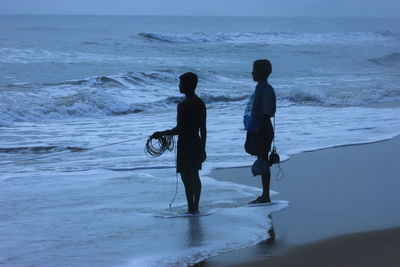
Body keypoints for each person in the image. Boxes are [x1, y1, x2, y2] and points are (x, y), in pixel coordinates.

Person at [151, 72, 207, 214]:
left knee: (186, 177)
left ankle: (191, 208)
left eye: (181, 83)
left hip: (185, 144)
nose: (179, 86)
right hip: (196, 142)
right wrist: (203, 148)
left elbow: (179, 129)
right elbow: (203, 129)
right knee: (195, 175)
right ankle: (196, 206)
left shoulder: (183, 105)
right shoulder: (200, 103)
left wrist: (161, 133)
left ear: (188, 86)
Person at [247, 59, 276, 204]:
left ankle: (266, 195)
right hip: (262, 127)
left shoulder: (264, 89)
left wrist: (258, 133)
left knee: (263, 160)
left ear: (261, 72)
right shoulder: (262, 87)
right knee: (262, 159)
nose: (252, 72)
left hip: (263, 128)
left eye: (254, 70)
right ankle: (265, 194)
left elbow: (265, 114)